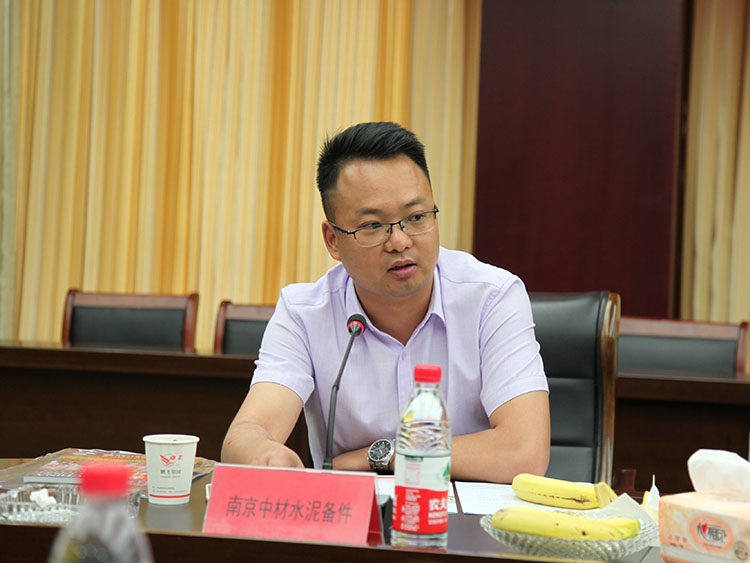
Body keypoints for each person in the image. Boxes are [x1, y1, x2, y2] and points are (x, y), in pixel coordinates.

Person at [221, 122, 550, 483]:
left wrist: (380, 456)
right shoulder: (304, 313)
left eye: (416, 217)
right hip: (351, 515)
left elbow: (524, 452)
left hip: (465, 513)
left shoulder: (492, 297)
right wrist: (263, 453)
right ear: (333, 240)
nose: (399, 241)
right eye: (373, 226)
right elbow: (248, 432)